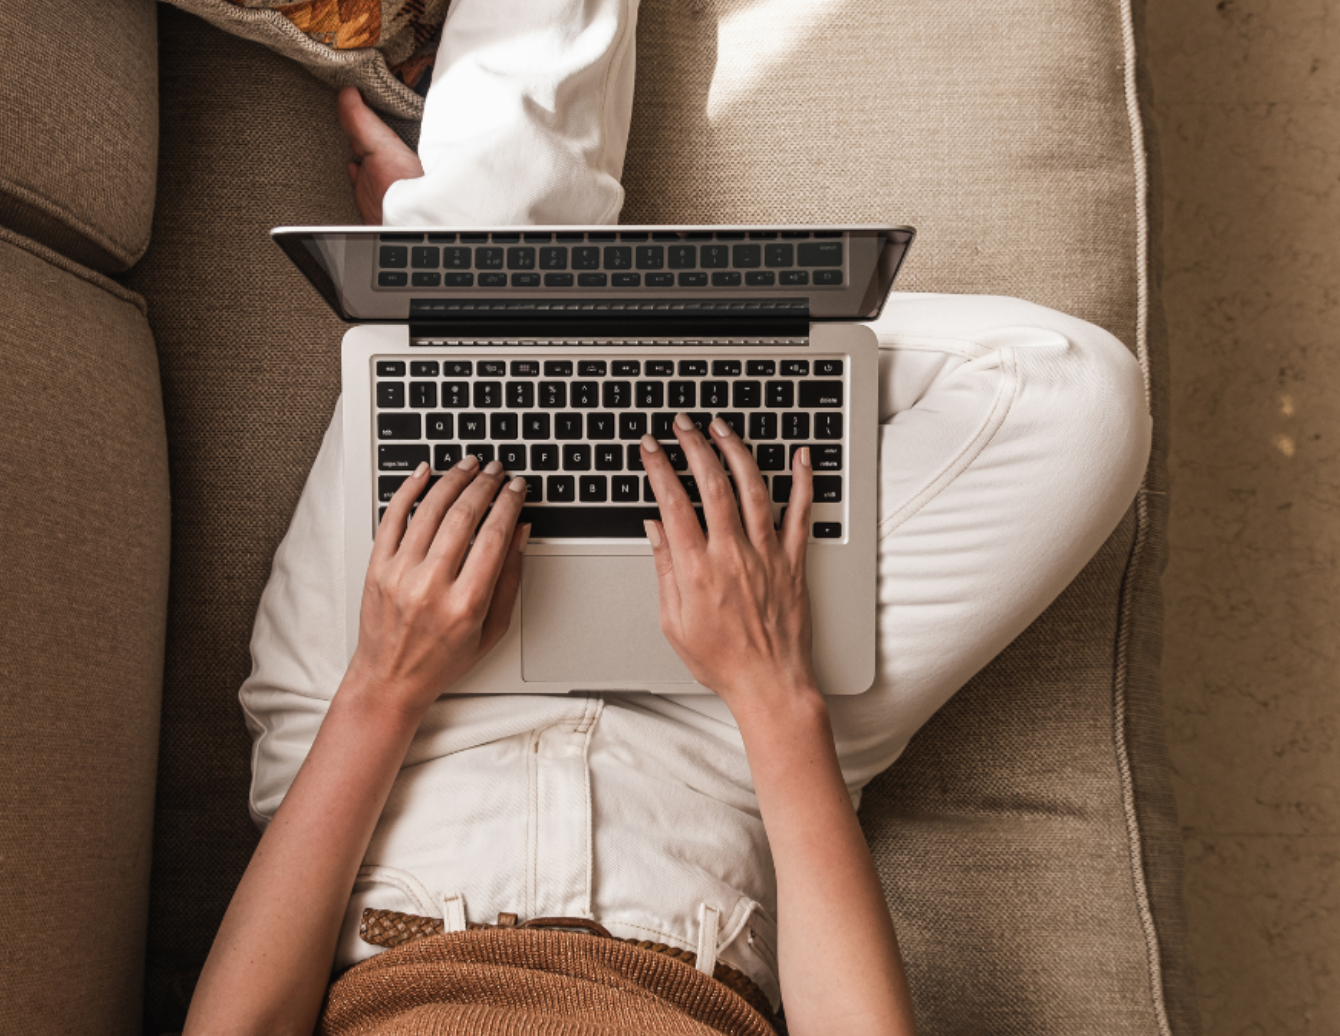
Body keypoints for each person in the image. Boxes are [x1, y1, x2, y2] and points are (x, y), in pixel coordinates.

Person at [182, 2, 1152, 1033]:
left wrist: (386, 676)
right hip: (724, 772)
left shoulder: (385, 690)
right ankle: (492, 279)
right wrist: (770, 687)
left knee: (498, 210)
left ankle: (481, 272)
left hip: (393, 752)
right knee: (1070, 396)